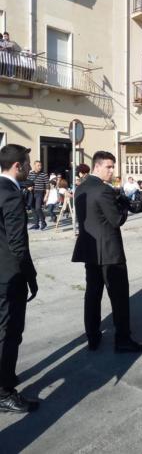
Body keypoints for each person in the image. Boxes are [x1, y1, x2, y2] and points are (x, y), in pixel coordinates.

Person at [72, 151, 142, 353]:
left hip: (90, 249)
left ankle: (93, 336)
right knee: (119, 297)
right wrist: (123, 206)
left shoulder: (82, 187)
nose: (112, 170)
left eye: (113, 166)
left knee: (92, 294)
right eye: (109, 166)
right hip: (109, 251)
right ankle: (123, 340)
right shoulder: (103, 190)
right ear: (97, 166)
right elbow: (116, 220)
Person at [0, 144, 39, 413]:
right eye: (26, 164)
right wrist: (30, 276)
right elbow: (17, 243)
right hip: (8, 275)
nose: (29, 168)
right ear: (17, 166)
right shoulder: (12, 195)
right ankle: (4, 392)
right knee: (9, 333)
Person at [28, 160, 49, 230]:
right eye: (38, 165)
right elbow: (27, 182)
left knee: (38, 208)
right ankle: (36, 224)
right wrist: (28, 187)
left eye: (40, 165)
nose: (40, 167)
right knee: (33, 208)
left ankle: (43, 222)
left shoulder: (44, 174)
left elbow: (47, 186)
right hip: (32, 193)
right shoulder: (30, 174)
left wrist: (46, 195)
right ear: (34, 166)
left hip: (40, 193)